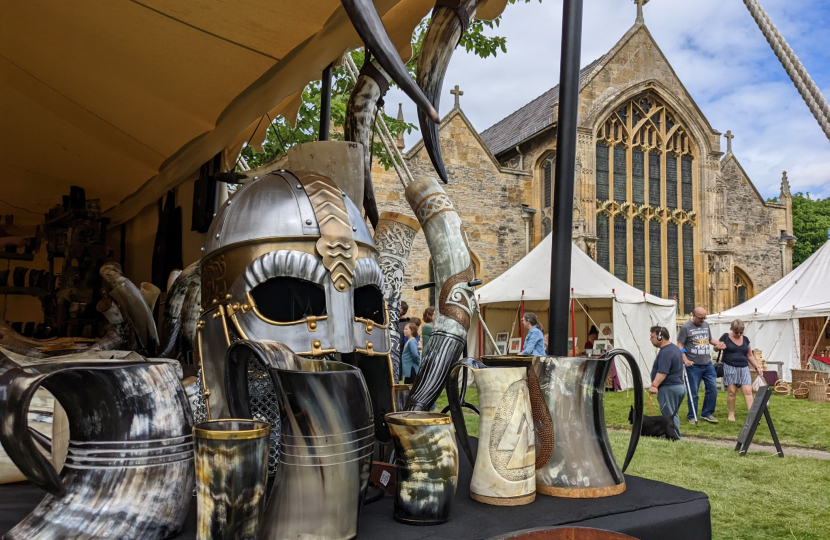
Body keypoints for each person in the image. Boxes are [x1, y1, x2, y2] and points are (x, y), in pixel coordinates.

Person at [677, 307, 726, 425]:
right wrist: (685, 359)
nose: (703, 320)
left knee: (712, 388)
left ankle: (707, 413)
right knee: (693, 392)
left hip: (707, 364)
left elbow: (709, 339)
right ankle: (692, 415)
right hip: (693, 365)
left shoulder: (705, 325)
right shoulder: (685, 328)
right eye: (700, 318)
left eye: (704, 318)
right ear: (693, 315)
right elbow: (679, 345)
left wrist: (718, 344)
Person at [720, 319, 763, 422]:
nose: (739, 334)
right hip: (730, 366)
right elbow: (716, 348)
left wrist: (757, 366)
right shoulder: (725, 337)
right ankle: (731, 413)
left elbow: (749, 355)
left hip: (744, 367)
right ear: (732, 329)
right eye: (736, 332)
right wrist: (718, 347)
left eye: (741, 332)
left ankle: (752, 415)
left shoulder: (746, 339)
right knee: (732, 391)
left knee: (748, 391)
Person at [649, 326, 686, 438]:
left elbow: (662, 372)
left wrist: (654, 385)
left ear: (661, 337)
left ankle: (674, 438)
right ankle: (673, 436)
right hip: (678, 387)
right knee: (673, 415)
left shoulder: (666, 352)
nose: (651, 339)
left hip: (669, 388)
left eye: (653, 337)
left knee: (668, 415)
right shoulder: (674, 348)